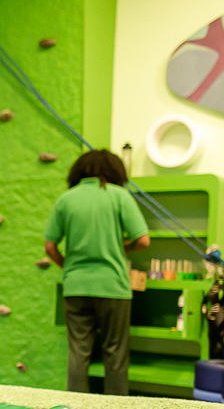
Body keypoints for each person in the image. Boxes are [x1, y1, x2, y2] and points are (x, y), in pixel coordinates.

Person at [43, 150, 149, 395]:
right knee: (115, 355)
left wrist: (68, 268)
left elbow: (50, 247)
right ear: (114, 172)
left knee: (78, 352)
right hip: (113, 287)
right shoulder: (119, 196)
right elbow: (142, 240)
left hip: (76, 287)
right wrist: (124, 247)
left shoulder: (66, 199)